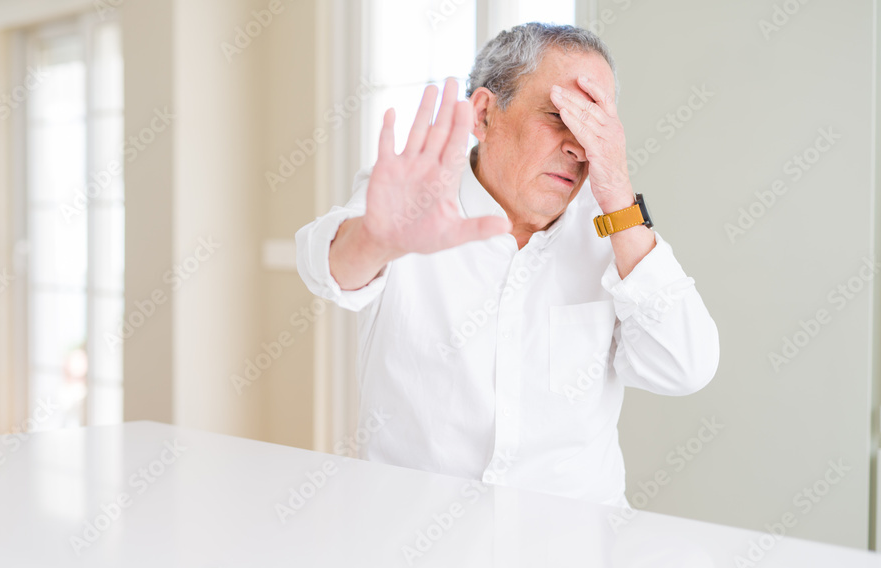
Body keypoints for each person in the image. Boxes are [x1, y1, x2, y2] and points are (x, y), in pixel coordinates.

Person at [294, 23, 719, 509]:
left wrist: (619, 194)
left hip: (576, 543)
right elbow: (326, 268)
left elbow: (685, 368)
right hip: (411, 535)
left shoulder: (614, 230)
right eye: (560, 116)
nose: (581, 148)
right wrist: (375, 238)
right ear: (484, 114)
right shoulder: (415, 199)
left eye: (595, 125)